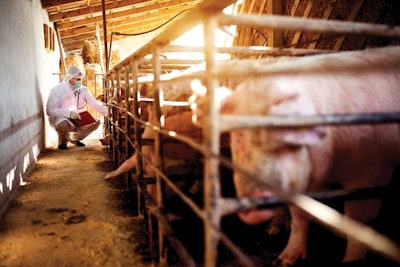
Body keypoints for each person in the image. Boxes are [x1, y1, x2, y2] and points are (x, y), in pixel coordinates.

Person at [46, 65, 108, 150]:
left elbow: (94, 104)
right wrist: (69, 113)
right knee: (63, 124)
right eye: (78, 79)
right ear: (70, 78)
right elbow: (50, 110)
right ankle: (63, 141)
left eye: (81, 79)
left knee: (95, 122)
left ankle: (75, 138)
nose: (80, 82)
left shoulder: (83, 90)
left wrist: (109, 112)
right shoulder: (57, 90)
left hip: (76, 116)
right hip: (61, 118)